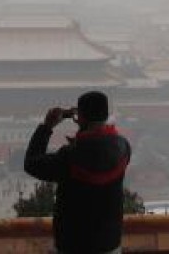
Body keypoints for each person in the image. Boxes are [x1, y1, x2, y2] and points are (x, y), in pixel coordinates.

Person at [24, 91, 132, 254]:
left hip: (73, 243)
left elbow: (32, 163)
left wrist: (47, 127)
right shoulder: (123, 148)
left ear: (79, 117)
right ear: (106, 115)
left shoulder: (69, 156)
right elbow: (99, 153)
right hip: (109, 243)